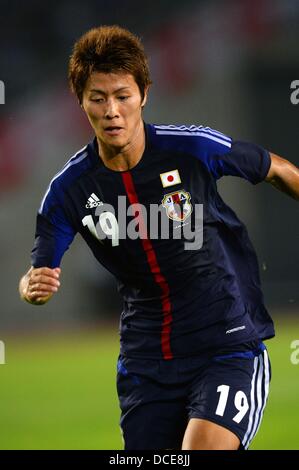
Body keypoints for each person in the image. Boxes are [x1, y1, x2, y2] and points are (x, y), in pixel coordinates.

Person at [19, 25, 299, 450]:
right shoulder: (67, 191)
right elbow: (37, 271)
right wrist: (31, 289)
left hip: (224, 344)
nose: (112, 110)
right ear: (81, 102)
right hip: (146, 362)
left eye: (122, 96)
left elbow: (276, 168)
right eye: (98, 98)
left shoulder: (192, 148)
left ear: (144, 94)